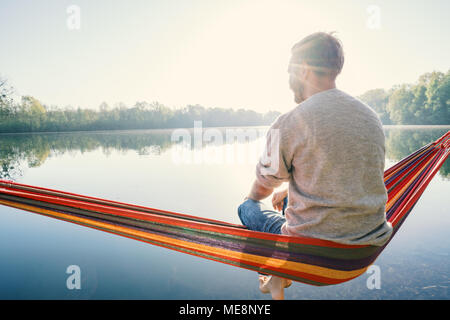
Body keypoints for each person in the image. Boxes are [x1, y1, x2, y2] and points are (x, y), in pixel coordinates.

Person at [237, 32, 393, 300]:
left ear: (305, 69)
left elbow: (265, 183)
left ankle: (276, 271)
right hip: (365, 249)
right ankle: (277, 275)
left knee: (247, 209)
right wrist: (288, 191)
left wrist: (251, 198)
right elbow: (357, 176)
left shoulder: (290, 122)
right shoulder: (371, 118)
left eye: (291, 73)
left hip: (310, 253)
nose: (290, 84)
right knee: (286, 200)